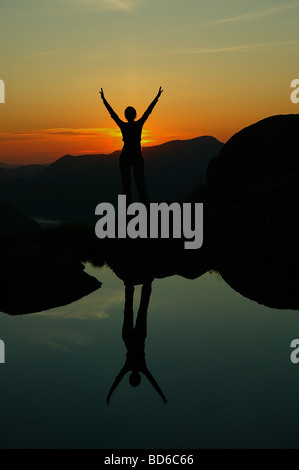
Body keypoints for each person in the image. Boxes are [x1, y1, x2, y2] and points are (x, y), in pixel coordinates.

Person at [106, 282, 167, 405]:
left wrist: (161, 394)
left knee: (142, 310)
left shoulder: (141, 367)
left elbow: (152, 380)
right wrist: (109, 394)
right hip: (130, 338)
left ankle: (146, 284)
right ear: (131, 378)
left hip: (137, 337)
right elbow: (118, 380)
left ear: (138, 378)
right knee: (129, 310)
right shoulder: (131, 367)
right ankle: (131, 286)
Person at [100, 87, 163, 205]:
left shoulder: (124, 125)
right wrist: (157, 97)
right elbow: (148, 111)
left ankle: (129, 208)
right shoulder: (138, 124)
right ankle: (144, 206)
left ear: (126, 115)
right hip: (136, 156)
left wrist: (104, 100)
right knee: (140, 183)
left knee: (126, 184)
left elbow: (113, 114)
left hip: (126, 156)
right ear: (134, 115)